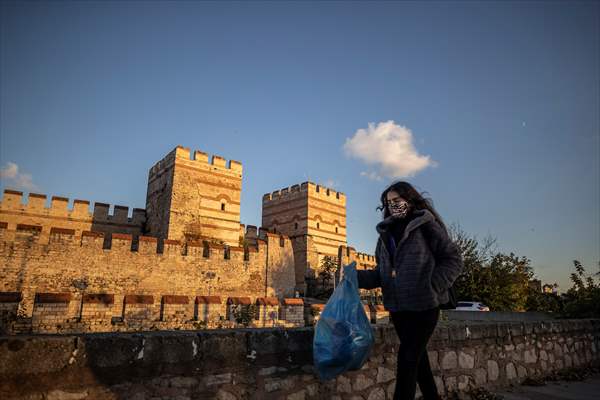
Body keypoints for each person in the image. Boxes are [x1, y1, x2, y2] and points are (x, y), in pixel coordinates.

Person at [357, 181, 463, 400]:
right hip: (399, 308)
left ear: (410, 200)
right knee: (418, 362)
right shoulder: (385, 233)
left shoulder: (425, 225)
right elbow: (381, 273)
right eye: (388, 202)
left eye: (397, 200)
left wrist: (433, 286)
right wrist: (353, 277)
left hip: (425, 306)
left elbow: (453, 259)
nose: (393, 205)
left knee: (407, 360)